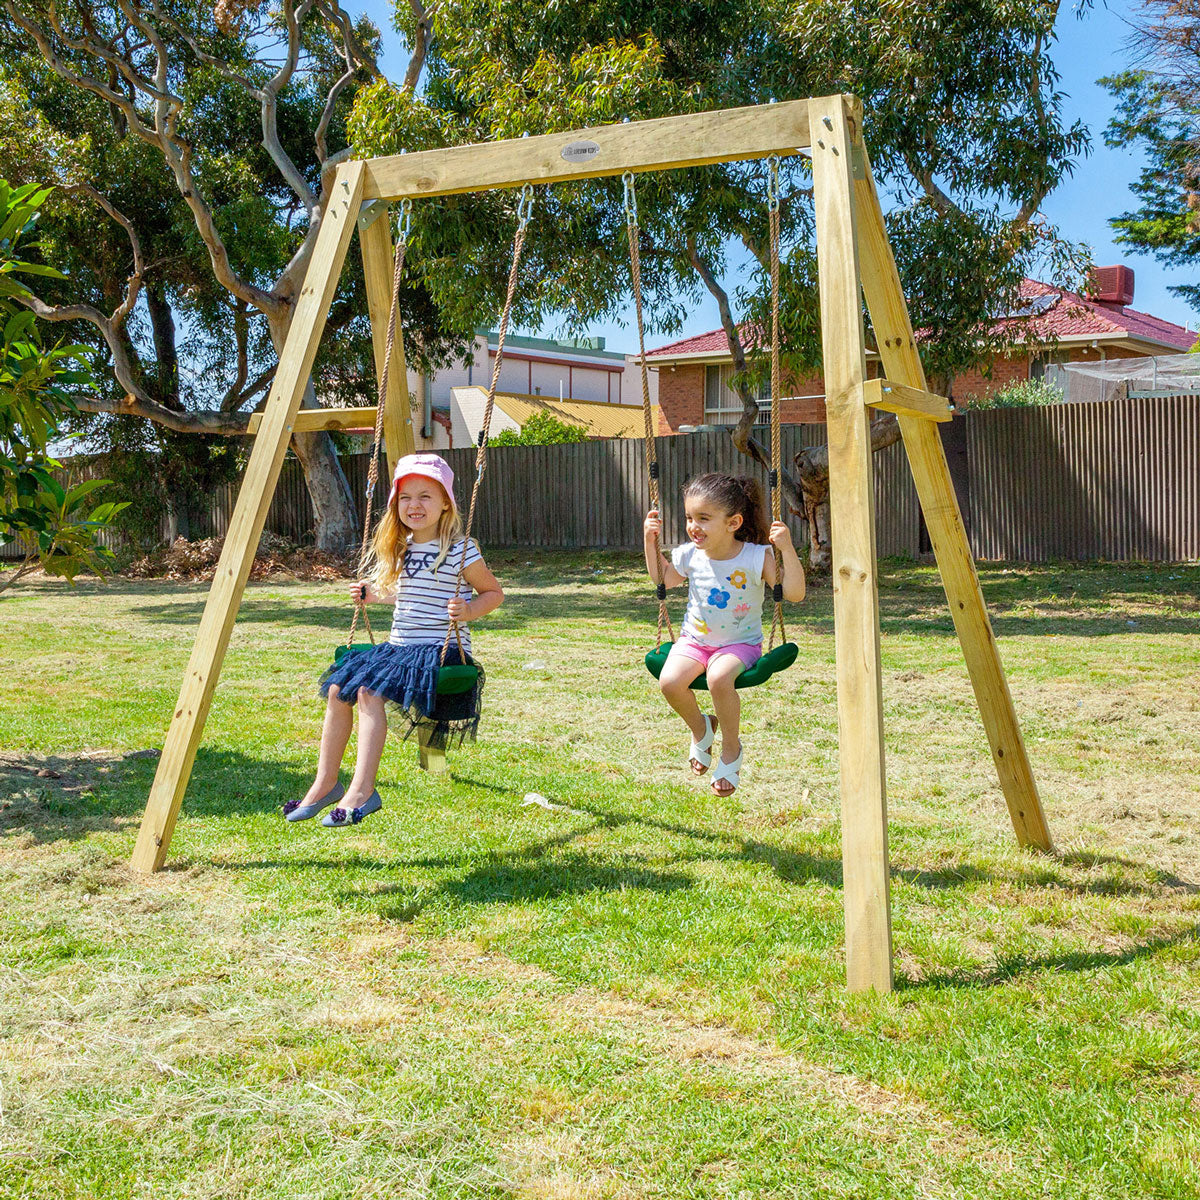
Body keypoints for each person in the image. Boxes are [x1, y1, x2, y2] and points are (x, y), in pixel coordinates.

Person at [285, 453, 504, 827]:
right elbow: (409, 593)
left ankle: (363, 790)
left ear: (445, 503)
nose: (414, 505)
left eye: (425, 496)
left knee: (369, 692)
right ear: (395, 504)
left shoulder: (461, 549)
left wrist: (467, 612)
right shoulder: (401, 547)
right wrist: (373, 596)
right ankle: (326, 783)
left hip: (440, 650)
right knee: (340, 689)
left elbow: (493, 593)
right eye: (405, 497)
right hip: (399, 647)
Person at [644, 472, 805, 796]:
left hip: (739, 645)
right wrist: (649, 542)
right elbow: (664, 579)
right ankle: (702, 729)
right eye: (690, 517)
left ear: (733, 522)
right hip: (694, 640)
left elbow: (794, 593)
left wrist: (786, 548)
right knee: (670, 682)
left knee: (719, 678)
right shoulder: (690, 554)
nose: (693, 526)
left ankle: (731, 747)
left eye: (704, 518)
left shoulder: (755, 556)